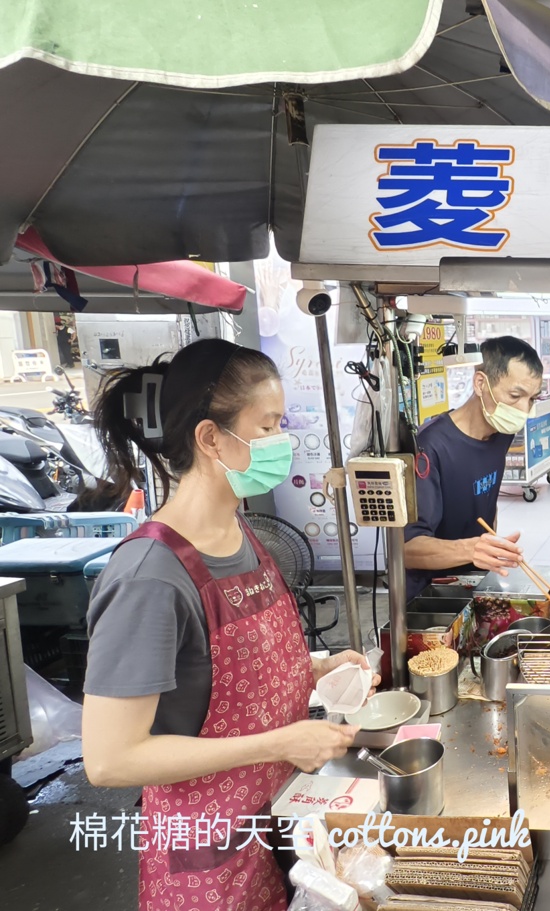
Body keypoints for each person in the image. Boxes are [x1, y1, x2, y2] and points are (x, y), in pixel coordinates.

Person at [81, 338, 378, 911]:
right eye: (267, 427)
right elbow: (110, 758)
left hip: (277, 821)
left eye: (281, 424)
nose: (281, 442)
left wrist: (315, 667)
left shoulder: (242, 535)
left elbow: (213, 672)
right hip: (207, 855)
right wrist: (281, 741)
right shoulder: (150, 577)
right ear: (211, 438)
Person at [403, 336, 544, 600]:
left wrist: (487, 550)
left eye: (532, 399)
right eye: (515, 395)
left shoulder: (502, 431)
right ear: (481, 383)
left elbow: (487, 502)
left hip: (475, 582)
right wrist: (472, 549)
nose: (524, 409)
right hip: (430, 595)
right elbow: (408, 549)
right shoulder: (429, 447)